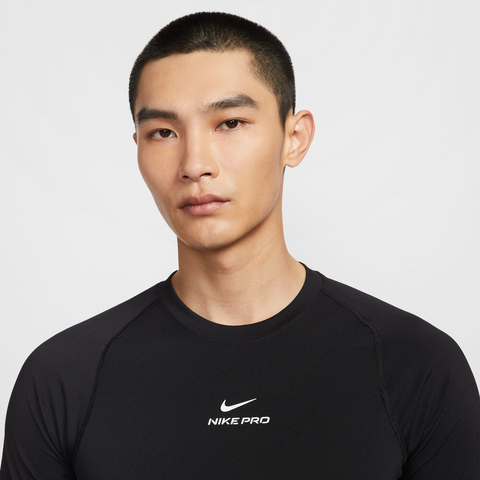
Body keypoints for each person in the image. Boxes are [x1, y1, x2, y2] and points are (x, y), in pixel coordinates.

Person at [1, 11, 479, 479]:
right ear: (138, 147)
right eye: (163, 132)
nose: (194, 164)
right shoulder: (64, 378)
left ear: (295, 138)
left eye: (229, 123)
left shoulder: (415, 366)